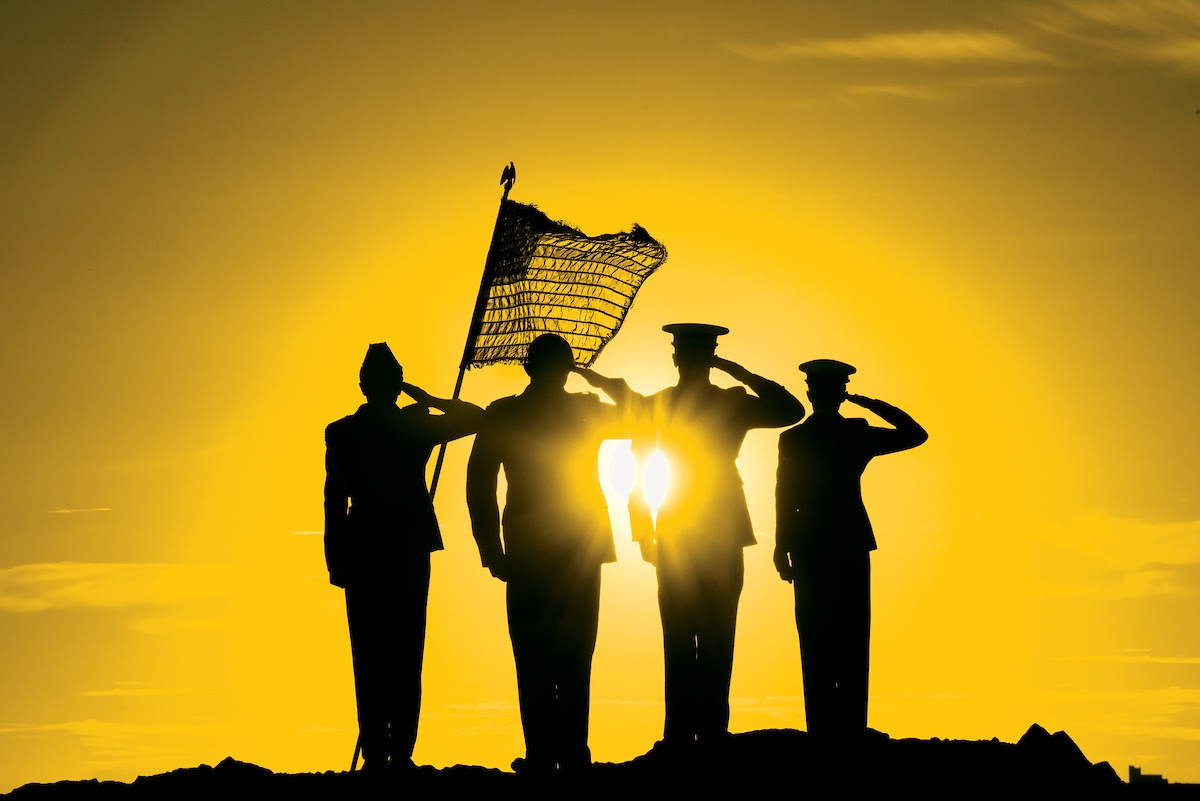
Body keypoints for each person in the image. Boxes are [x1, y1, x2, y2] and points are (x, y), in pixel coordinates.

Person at [466, 333, 635, 775]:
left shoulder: (507, 413)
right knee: (570, 653)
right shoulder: (580, 409)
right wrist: (600, 381)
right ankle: (567, 753)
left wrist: (491, 548)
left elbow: (479, 485)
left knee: (537, 655)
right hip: (564, 548)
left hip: (538, 549)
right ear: (561, 369)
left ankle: (548, 752)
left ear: (528, 367)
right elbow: (640, 415)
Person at [633, 323, 804, 754]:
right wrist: (643, 533)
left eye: (694, 355)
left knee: (707, 632)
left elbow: (790, 410)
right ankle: (688, 732)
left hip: (704, 527)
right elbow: (637, 473)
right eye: (690, 355)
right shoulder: (677, 405)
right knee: (694, 632)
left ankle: (702, 732)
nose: (687, 361)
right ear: (680, 359)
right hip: (685, 525)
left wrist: (736, 372)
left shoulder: (718, 402)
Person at [324, 343, 482, 772]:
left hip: (367, 547)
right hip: (402, 545)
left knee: (372, 650)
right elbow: (474, 415)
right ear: (395, 386)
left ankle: (381, 749)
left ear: (364, 385)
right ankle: (395, 750)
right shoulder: (413, 425)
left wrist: (335, 558)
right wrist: (427, 401)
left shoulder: (341, 432)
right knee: (404, 648)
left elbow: (333, 501)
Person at [774, 359, 927, 739]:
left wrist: (782, 544)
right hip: (848, 541)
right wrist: (870, 404)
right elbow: (914, 433)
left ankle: (822, 727)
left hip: (810, 543)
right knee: (852, 636)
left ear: (810, 393)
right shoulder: (854, 433)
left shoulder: (794, 438)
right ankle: (850, 726)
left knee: (815, 635)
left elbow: (783, 495)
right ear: (841, 394)